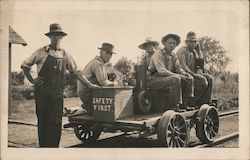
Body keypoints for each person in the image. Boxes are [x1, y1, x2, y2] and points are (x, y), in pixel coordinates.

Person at [21, 23, 98, 147]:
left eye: (59, 36)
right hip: (42, 94)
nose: (56, 38)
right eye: (54, 35)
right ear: (50, 37)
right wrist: (32, 80)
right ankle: (44, 150)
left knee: (56, 123)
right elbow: (25, 65)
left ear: (62, 38)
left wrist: (89, 85)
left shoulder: (65, 54)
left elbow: (76, 72)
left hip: (57, 95)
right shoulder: (40, 52)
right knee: (43, 121)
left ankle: (53, 151)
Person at [148, 34, 195, 111]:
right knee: (175, 79)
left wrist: (185, 74)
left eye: (174, 43)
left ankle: (185, 104)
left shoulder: (174, 55)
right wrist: (178, 75)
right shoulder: (158, 54)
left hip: (166, 78)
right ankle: (174, 106)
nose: (172, 45)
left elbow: (178, 69)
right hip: (154, 79)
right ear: (164, 44)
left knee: (188, 78)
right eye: (170, 43)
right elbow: (161, 71)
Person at [77, 42, 118, 115]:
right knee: (112, 105)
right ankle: (90, 107)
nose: (109, 55)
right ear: (101, 52)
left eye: (110, 53)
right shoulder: (97, 63)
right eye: (107, 52)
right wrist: (115, 83)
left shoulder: (99, 63)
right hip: (87, 94)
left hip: (87, 92)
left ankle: (89, 107)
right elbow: (104, 83)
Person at [176, 31, 213, 106]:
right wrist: (194, 75)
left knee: (209, 78)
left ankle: (204, 102)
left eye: (195, 42)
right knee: (202, 81)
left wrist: (199, 51)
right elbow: (183, 66)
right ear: (187, 42)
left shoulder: (194, 52)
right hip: (183, 75)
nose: (193, 44)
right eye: (191, 42)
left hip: (192, 75)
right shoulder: (182, 51)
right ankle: (191, 102)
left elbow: (201, 65)